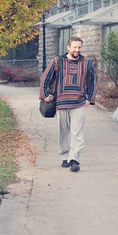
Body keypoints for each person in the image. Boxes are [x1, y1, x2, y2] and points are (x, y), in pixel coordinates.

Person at [39, 36, 96, 173]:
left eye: (79, 47)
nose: (77, 50)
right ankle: (65, 156)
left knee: (77, 133)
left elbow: (92, 82)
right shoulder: (57, 61)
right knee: (63, 132)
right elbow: (44, 78)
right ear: (68, 47)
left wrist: (89, 99)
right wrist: (45, 95)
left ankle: (74, 159)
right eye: (74, 47)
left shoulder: (87, 63)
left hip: (79, 103)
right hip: (61, 103)